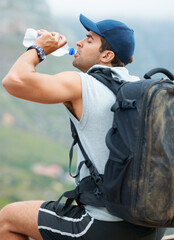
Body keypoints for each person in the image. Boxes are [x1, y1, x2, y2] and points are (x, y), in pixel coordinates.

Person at [0, 14, 166, 240]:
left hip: (104, 226)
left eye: (88, 40)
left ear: (107, 55)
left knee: (8, 218)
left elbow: (14, 81)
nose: (78, 42)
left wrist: (38, 49)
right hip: (151, 225)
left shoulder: (83, 84)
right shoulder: (143, 90)